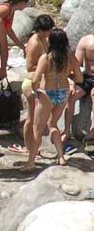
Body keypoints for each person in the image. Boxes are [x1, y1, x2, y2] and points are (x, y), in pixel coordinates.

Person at [28, 29, 84, 169]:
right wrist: (66, 77)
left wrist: (36, 90)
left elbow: (35, 78)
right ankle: (60, 157)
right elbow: (79, 78)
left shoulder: (46, 58)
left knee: (37, 129)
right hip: (63, 93)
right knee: (53, 124)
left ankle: (30, 163)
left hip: (47, 93)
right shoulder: (71, 58)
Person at [12, 14, 53, 157]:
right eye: (47, 30)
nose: (49, 32)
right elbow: (29, 66)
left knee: (36, 118)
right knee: (31, 118)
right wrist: (44, 67)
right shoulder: (34, 42)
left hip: (39, 81)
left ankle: (32, 146)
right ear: (40, 29)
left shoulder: (43, 39)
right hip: (31, 82)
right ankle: (28, 147)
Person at [74, 34, 94, 153]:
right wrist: (74, 83)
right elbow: (76, 63)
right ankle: (66, 131)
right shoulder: (85, 41)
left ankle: (92, 133)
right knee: (71, 97)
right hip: (86, 77)